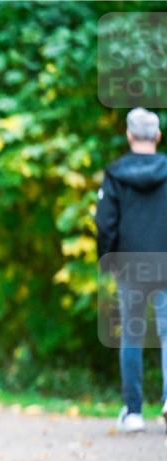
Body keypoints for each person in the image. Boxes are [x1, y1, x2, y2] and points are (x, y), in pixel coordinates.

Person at [96, 107, 167, 433]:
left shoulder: (115, 174)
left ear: (128, 135)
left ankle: (134, 413)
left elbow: (105, 223)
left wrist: (107, 258)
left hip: (130, 265)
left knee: (132, 335)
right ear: (157, 136)